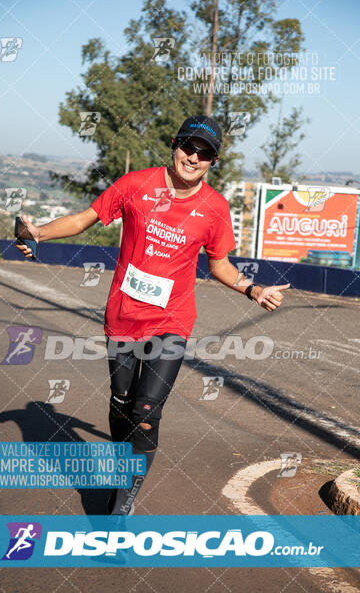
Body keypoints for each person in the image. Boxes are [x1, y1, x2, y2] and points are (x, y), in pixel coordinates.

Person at [16, 114, 290, 514]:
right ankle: (121, 460)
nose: (193, 158)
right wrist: (38, 232)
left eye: (205, 153)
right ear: (175, 144)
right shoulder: (135, 185)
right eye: (189, 147)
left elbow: (219, 265)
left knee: (145, 413)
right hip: (123, 318)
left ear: (213, 161)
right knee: (121, 401)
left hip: (171, 323)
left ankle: (119, 509)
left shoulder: (214, 208)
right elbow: (85, 218)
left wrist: (253, 288)